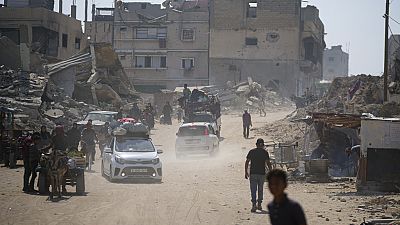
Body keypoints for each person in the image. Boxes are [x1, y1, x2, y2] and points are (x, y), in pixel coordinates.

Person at [245, 138, 272, 212]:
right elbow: (268, 163)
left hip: (253, 173)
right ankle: (259, 204)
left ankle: (254, 204)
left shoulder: (252, 152)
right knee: (260, 189)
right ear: (263, 145)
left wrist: (246, 172)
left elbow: (247, 162)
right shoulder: (265, 153)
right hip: (261, 174)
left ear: (256, 145)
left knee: (253, 190)